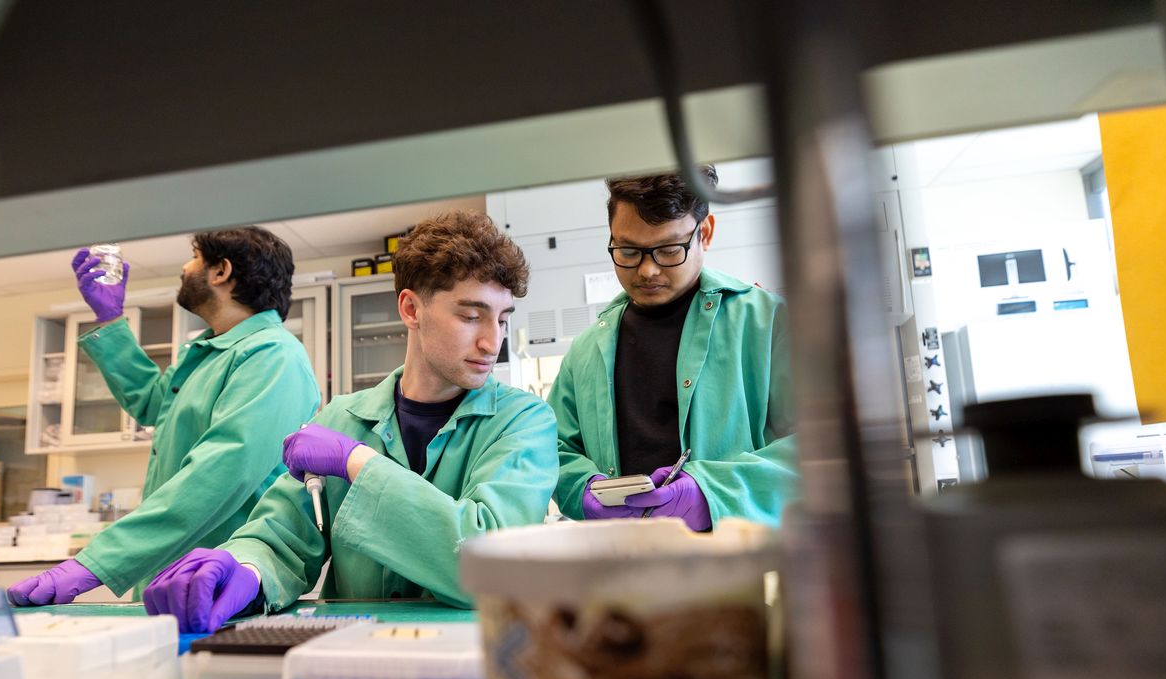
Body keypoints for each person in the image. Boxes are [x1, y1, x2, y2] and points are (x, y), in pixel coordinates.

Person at [144, 210, 558, 633]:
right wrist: (244, 570)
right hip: (347, 656)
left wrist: (358, 463)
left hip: (474, 661)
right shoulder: (341, 418)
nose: (493, 342)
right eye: (471, 316)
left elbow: (491, 569)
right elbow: (282, 537)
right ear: (411, 309)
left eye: (502, 319)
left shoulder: (525, 422)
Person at [8, 227, 320, 605]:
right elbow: (152, 404)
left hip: (220, 580)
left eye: (194, 258)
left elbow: (222, 470)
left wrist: (96, 561)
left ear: (220, 271)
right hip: (169, 572)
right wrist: (110, 319)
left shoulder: (272, 355)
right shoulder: (209, 353)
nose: (184, 268)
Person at [548, 166, 796, 531]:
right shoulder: (587, 350)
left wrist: (713, 494)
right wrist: (582, 488)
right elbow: (552, 450)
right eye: (629, 251)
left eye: (667, 249)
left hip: (743, 568)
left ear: (705, 233)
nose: (647, 270)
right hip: (626, 571)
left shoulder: (768, 324)